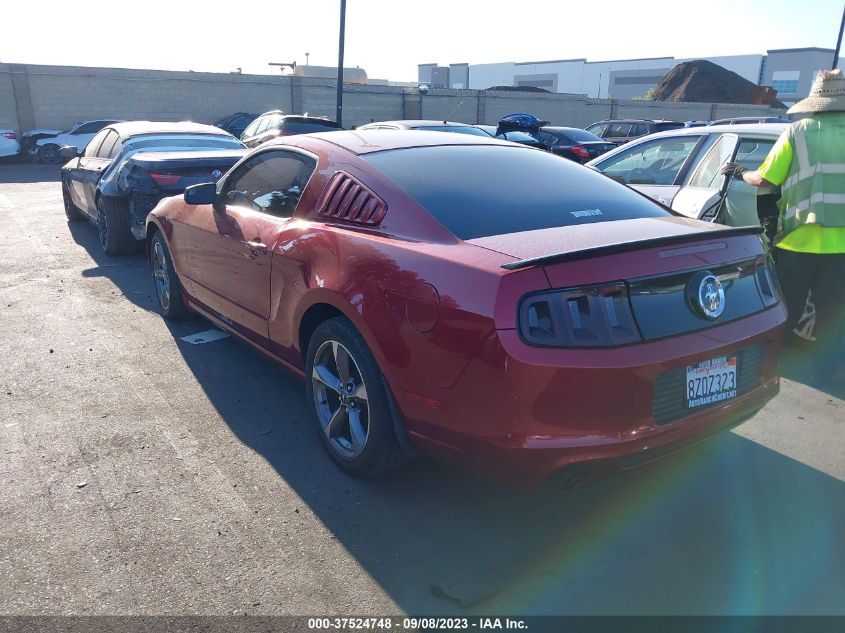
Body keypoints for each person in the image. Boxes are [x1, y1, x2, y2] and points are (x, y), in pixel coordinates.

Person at [721, 69, 845, 384]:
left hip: (798, 241)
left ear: (816, 101)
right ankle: (830, 371)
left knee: (784, 310)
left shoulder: (798, 132)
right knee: (834, 314)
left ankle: (775, 368)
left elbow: (765, 179)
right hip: (841, 245)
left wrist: (738, 172)